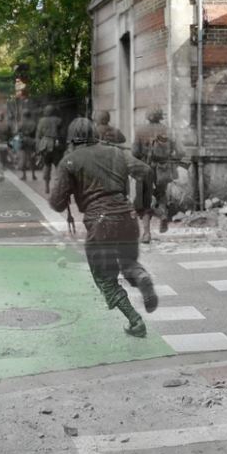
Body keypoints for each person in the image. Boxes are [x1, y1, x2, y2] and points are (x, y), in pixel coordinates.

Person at [48, 116, 159, 338]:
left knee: (105, 279)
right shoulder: (116, 153)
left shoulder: (69, 161)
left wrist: (70, 189)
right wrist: (142, 203)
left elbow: (56, 202)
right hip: (127, 217)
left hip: (100, 224)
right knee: (129, 263)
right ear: (94, 134)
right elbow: (145, 170)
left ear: (71, 139)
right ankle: (142, 278)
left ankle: (135, 321)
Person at [132, 107, 179, 243]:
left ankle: (146, 234)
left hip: (145, 169)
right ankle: (163, 214)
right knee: (161, 194)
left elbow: (135, 152)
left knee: (145, 199)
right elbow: (180, 151)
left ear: (148, 115)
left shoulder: (140, 130)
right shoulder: (168, 130)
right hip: (163, 168)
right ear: (160, 116)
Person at [36, 104, 66, 194]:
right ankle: (57, 186)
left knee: (46, 165)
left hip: (45, 145)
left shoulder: (41, 121)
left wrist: (38, 148)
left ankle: (46, 186)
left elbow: (39, 135)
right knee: (57, 166)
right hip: (56, 145)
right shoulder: (59, 120)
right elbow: (63, 134)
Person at [18, 108, 38, 181]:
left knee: (23, 159)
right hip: (31, 141)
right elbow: (36, 133)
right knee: (32, 159)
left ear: (24, 115)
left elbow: (18, 133)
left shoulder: (20, 123)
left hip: (23, 142)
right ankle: (33, 175)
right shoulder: (33, 123)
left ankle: (24, 175)